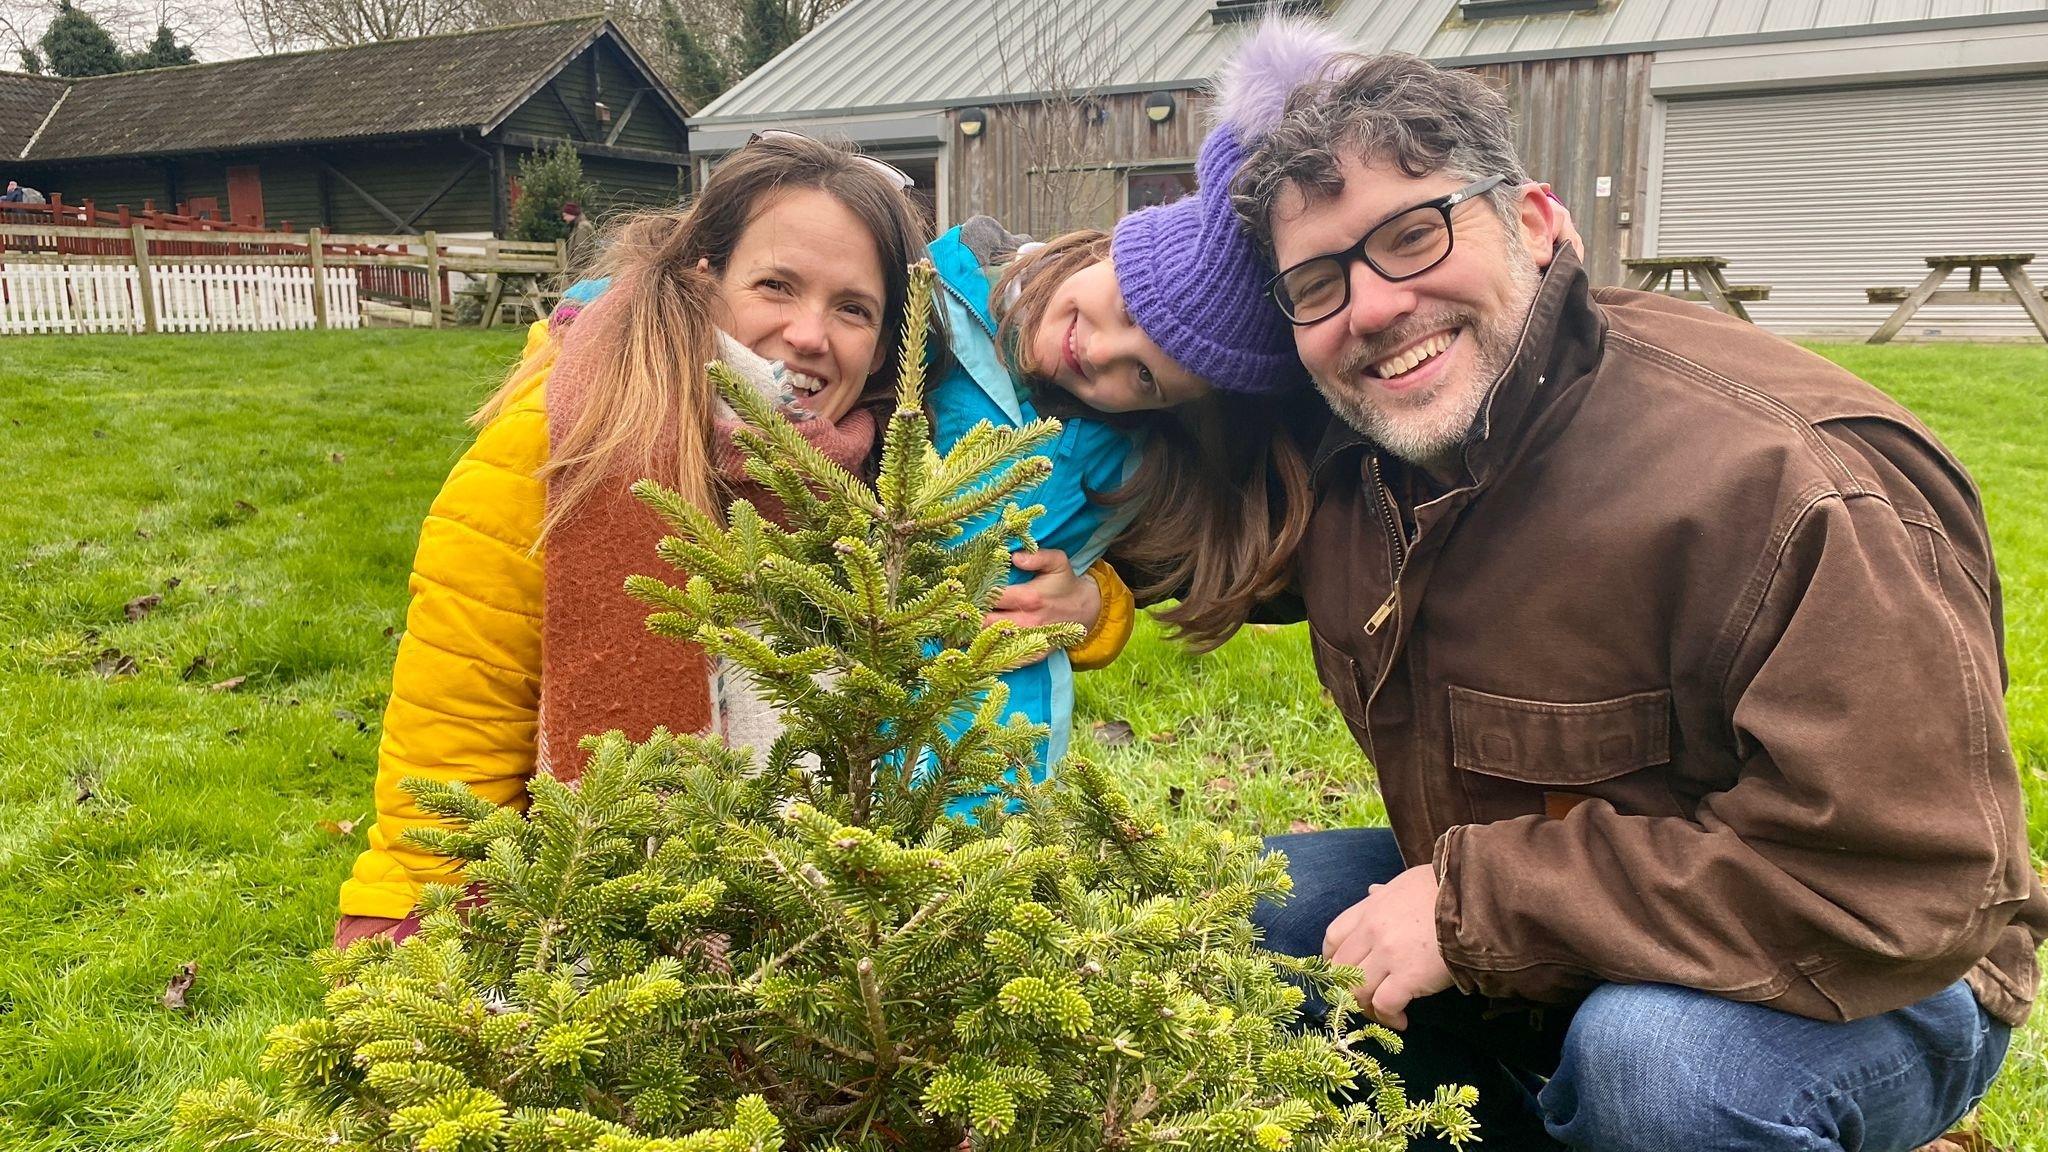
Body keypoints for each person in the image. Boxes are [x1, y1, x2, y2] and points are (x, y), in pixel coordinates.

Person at [1219, 42, 2047, 1152]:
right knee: (1256, 906)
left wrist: (1473, 910)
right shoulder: (1373, 461)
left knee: (1658, 1068)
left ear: (1532, 221)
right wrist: (1094, 595)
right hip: (1567, 919)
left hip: (1894, 966)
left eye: (1414, 234)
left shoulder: (1787, 487)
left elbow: (1909, 886)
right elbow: (1148, 404)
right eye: (1318, 283)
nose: (1371, 307)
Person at [332, 134, 1123, 946]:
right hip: (571, 940)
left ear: (892, 342)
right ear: (703, 279)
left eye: (853, 308)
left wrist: (1095, 607)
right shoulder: (572, 436)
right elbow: (457, 720)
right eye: (776, 285)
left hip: (825, 948)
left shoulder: (889, 477)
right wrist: (415, 948)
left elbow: (1000, 568)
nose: (810, 335)